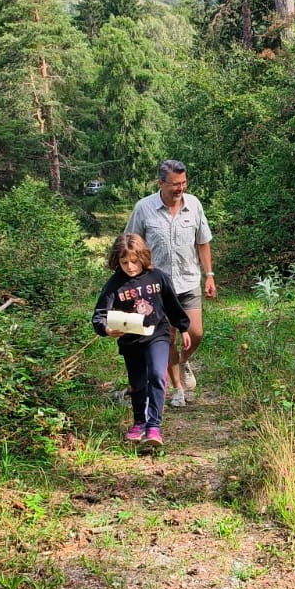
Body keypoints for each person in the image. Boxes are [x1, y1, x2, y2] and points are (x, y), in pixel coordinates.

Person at [125, 161, 215, 408]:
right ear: (161, 183)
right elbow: (130, 243)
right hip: (157, 287)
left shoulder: (194, 205)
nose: (180, 188)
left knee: (196, 333)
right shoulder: (144, 208)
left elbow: (203, 241)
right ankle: (177, 389)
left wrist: (209, 274)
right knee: (168, 337)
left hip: (188, 281)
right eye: (175, 184)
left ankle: (182, 362)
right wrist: (133, 278)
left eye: (184, 183)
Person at [92, 233, 191, 449]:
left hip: (157, 334)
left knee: (156, 374)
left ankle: (153, 427)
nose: (130, 266)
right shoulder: (114, 284)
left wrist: (183, 328)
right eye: (124, 262)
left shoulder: (158, 277)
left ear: (143, 257)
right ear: (117, 261)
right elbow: (99, 315)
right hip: (130, 341)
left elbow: (172, 305)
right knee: (137, 383)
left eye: (134, 261)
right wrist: (106, 329)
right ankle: (139, 422)